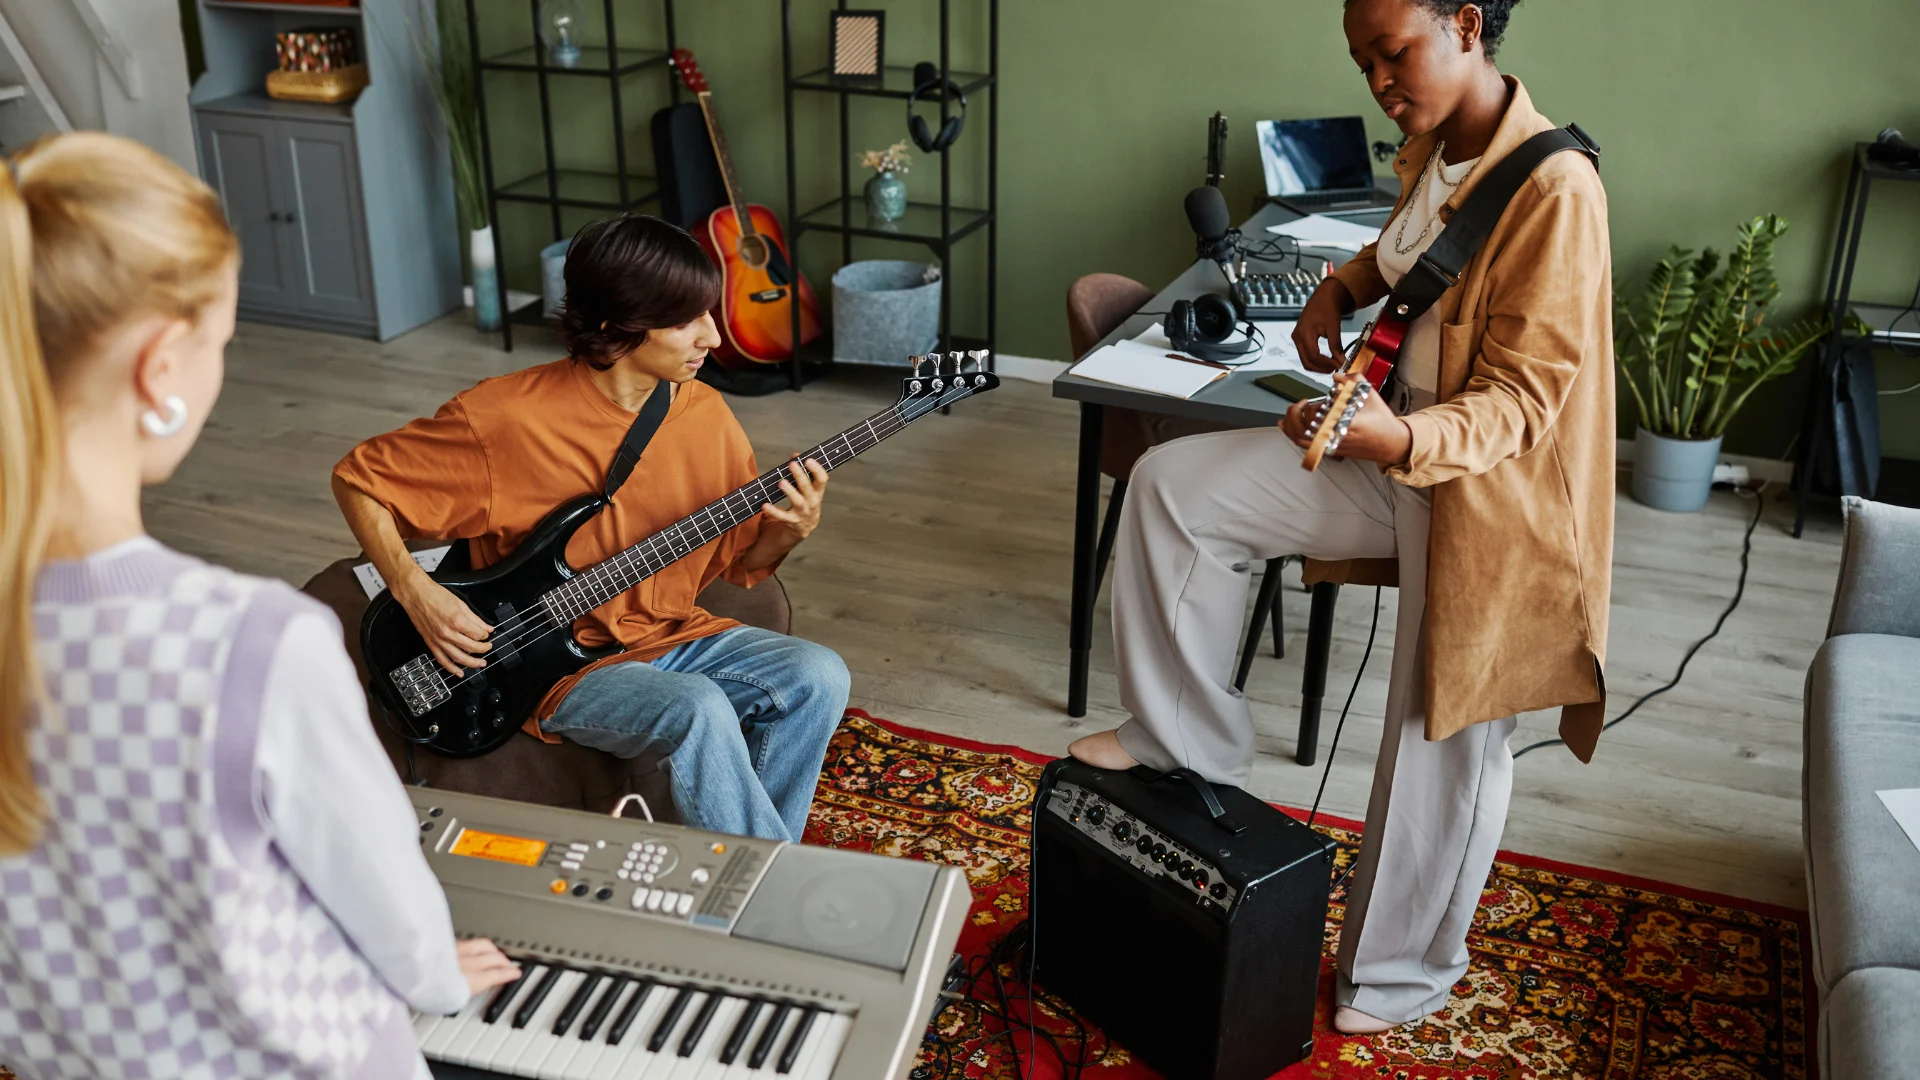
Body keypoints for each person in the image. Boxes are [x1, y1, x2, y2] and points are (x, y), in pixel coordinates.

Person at [1068, 0, 1612, 1035]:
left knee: (1438, 733)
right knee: (1173, 487)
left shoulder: (1555, 187)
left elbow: (1524, 402)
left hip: (1491, 497)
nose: (1378, 82)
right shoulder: (1432, 147)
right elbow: (1414, 256)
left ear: (1465, 23)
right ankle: (1184, 737)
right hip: (1391, 446)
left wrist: (1398, 438)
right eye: (1364, 63)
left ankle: (1399, 974)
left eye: (1393, 53)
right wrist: (1343, 286)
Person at [0, 133, 520, 1079]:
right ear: (160, 366)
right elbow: (394, 915)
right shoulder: (250, 642)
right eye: (221, 344)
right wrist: (437, 975)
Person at [333, 214, 849, 844]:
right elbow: (359, 481)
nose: (713, 336)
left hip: (671, 633)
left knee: (819, 675)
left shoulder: (707, 416)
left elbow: (742, 562)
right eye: (685, 320)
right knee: (698, 709)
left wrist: (792, 529)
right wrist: (416, 591)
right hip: (557, 666)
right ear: (616, 323)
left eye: (708, 312)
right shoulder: (504, 419)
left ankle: (756, 871)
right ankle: (770, 888)